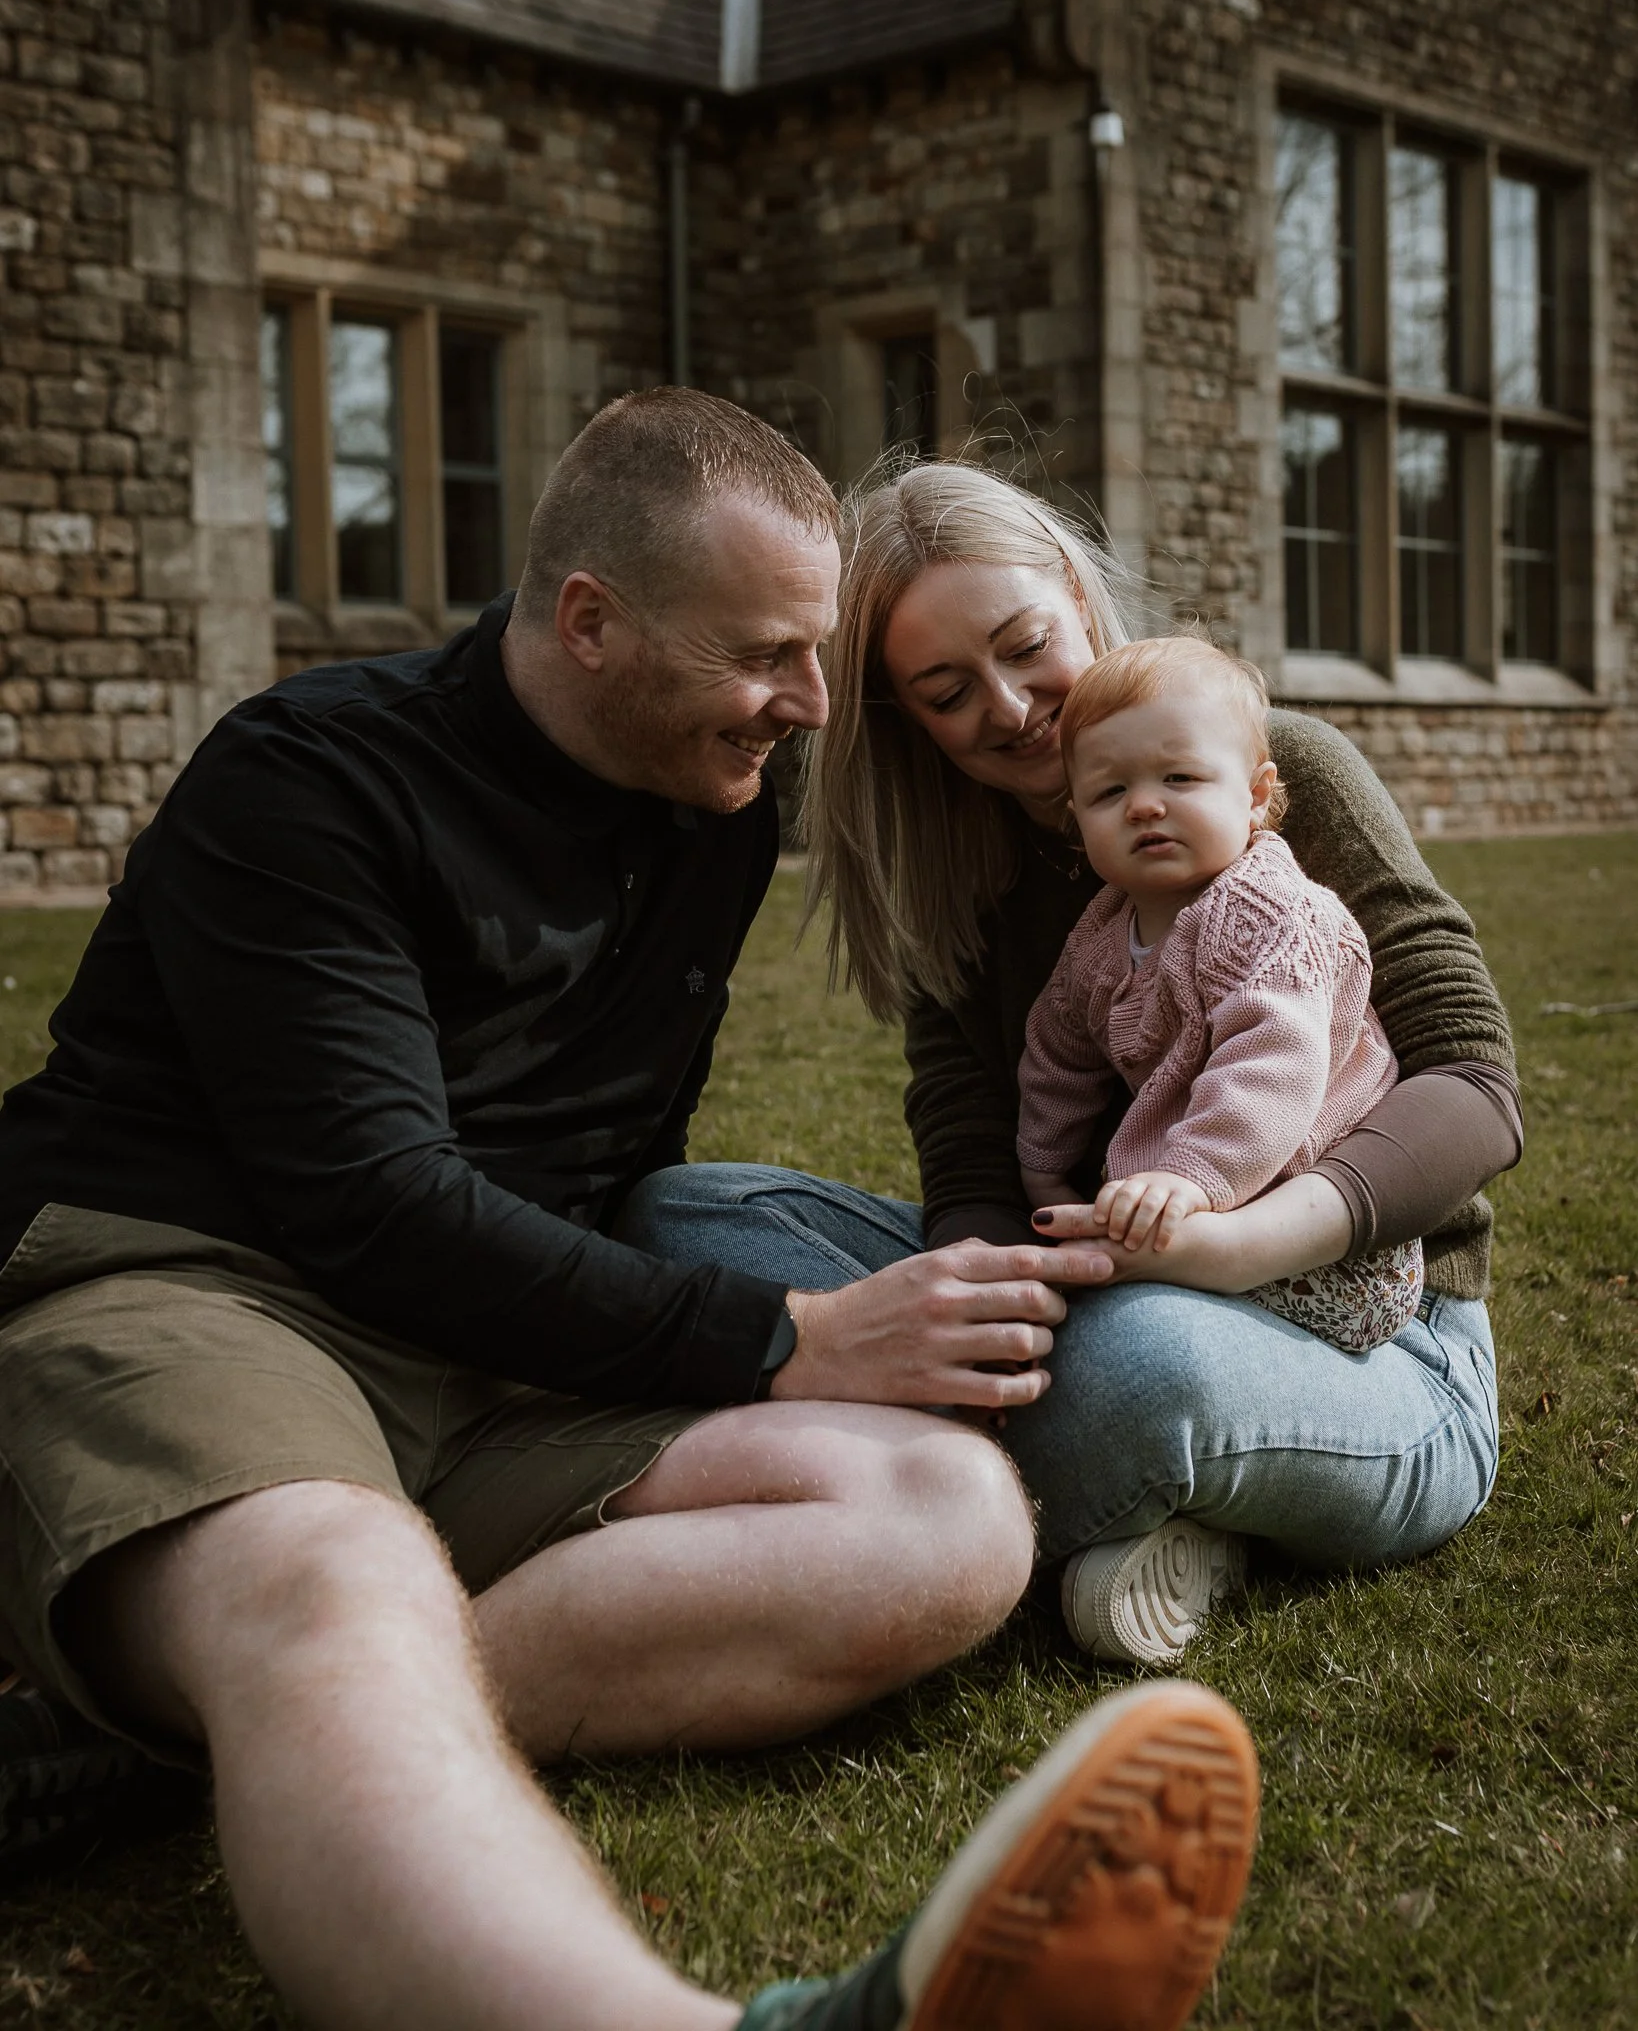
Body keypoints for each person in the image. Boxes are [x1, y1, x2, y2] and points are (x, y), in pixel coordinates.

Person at [0, 392, 1259, 2031]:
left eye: (816, 655)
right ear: (591, 622)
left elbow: (610, 1143)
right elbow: (367, 1201)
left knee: (949, 1521)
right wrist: (781, 1333)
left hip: (503, 1353)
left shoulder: (703, 802)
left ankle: (288, 1731)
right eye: (765, 655)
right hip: (208, 1293)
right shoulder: (310, 774)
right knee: (336, 1576)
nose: (813, 703)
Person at [625, 459, 1521, 1670]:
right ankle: (1062, 1482)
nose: (1006, 705)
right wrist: (987, 1313)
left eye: (1025, 644)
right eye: (947, 691)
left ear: (1078, 596)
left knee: (1139, 1366)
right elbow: (974, 1143)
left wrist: (1233, 1240)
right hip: (1094, 1268)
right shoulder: (955, 864)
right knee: (685, 1217)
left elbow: (1474, 1085)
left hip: (1367, 1334)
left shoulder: (1268, 769)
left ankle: (892, 1478)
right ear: (909, 722)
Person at [1015, 632, 1424, 1360]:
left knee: (1120, 1329)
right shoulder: (1102, 933)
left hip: (1332, 1243)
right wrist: (1043, 1165)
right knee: (1098, 1320)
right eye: (1111, 791)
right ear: (1077, 817)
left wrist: (1188, 1176)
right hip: (1195, 1203)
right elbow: (1056, 1051)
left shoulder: (1267, 910)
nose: (1144, 807)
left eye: (1180, 779)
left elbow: (1273, 1066)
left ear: (1257, 795)